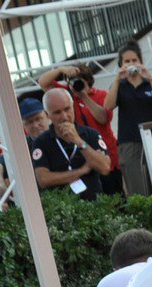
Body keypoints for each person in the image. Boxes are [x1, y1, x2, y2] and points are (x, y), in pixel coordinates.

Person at [38, 64, 122, 195]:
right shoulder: (65, 96)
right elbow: (43, 82)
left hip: (104, 151)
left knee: (114, 197)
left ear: (87, 80)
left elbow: (103, 118)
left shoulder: (100, 95)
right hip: (80, 155)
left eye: (79, 79)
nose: (64, 114)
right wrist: (61, 70)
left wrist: (84, 96)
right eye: (72, 79)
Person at [107, 43, 152, 197]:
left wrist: (150, 78)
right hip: (129, 141)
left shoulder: (150, 82)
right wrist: (117, 79)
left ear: (140, 61)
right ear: (121, 64)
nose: (131, 64)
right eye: (127, 61)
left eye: (134, 60)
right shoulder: (119, 86)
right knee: (137, 188)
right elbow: (108, 106)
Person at [33, 87, 112, 201]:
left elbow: (104, 168)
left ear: (73, 106)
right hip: (61, 210)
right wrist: (82, 170)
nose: (64, 116)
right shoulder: (41, 142)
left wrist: (79, 141)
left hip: (94, 205)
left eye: (67, 109)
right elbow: (43, 180)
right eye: (57, 112)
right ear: (47, 115)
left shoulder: (91, 134)